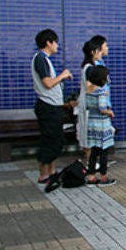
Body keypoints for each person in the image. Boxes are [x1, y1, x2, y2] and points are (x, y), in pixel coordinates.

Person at [32, 29, 72, 185]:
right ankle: (43, 174)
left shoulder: (44, 59)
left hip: (52, 106)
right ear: (48, 42)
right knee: (50, 140)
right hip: (47, 107)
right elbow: (47, 83)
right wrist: (63, 75)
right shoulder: (40, 59)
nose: (57, 46)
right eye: (55, 42)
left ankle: (52, 172)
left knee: (55, 140)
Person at [77, 35, 109, 163]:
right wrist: (101, 89)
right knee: (90, 139)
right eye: (105, 46)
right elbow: (89, 88)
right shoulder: (90, 68)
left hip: (95, 108)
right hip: (91, 109)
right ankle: (90, 166)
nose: (106, 49)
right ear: (95, 51)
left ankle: (93, 164)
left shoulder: (94, 65)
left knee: (93, 138)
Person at [84, 65, 116, 186]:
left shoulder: (88, 90)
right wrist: (110, 112)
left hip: (92, 124)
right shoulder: (101, 91)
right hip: (102, 126)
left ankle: (91, 177)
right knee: (104, 152)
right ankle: (103, 177)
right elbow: (102, 108)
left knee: (93, 151)